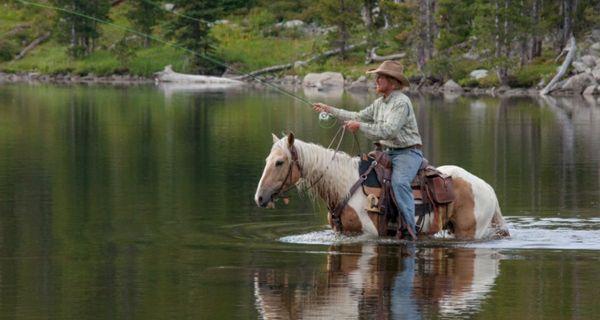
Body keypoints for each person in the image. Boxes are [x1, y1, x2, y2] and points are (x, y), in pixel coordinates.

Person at [312, 60, 423, 240]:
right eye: (377, 77)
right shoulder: (380, 103)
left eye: (381, 77)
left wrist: (360, 126)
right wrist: (329, 109)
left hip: (407, 153)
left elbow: (389, 130)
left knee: (399, 183)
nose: (376, 80)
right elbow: (357, 116)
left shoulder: (401, 103)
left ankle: (410, 229)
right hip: (387, 153)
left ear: (393, 82)